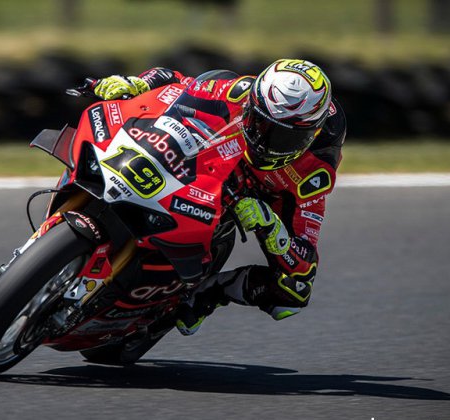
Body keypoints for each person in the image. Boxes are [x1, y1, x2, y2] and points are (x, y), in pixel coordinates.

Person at [92, 59, 347, 335]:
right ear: (253, 104)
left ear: (311, 135)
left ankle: (211, 292)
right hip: (210, 160)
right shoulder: (240, 91)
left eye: (283, 137)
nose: (264, 139)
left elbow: (304, 263)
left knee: (295, 292)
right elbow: (178, 82)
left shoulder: (314, 170)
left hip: (255, 196)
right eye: (259, 122)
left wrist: (272, 228)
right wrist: (138, 83)